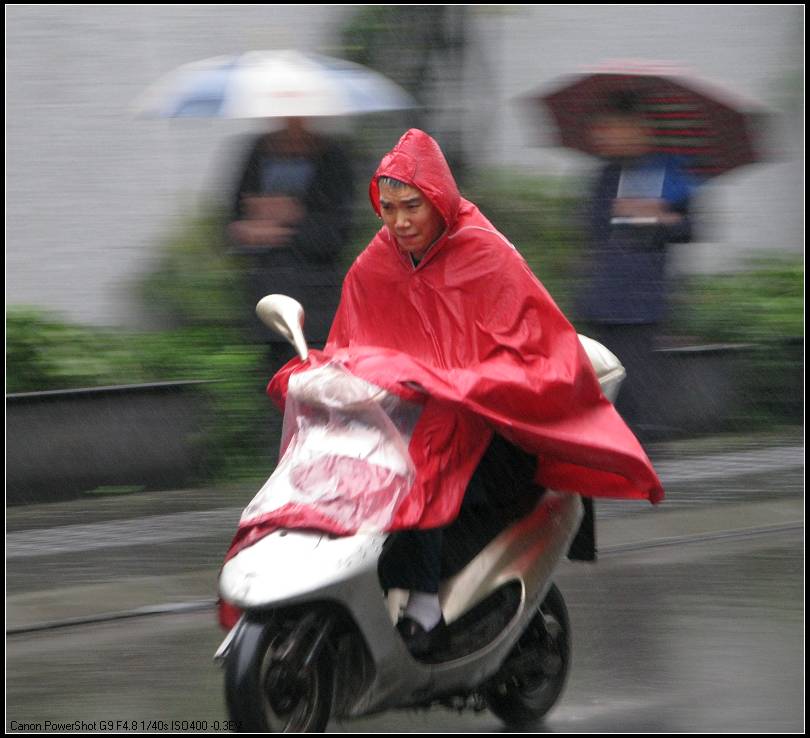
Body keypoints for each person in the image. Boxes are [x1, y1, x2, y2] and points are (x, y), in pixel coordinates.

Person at [299, 128, 664, 656]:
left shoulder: (486, 255)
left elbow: (536, 349)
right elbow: (347, 348)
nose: (399, 221)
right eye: (388, 207)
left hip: (486, 426)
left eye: (412, 206)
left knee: (419, 466)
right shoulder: (372, 266)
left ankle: (424, 605)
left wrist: (464, 384)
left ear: (439, 201)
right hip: (402, 418)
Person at [576, 90, 698, 436]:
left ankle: (643, 456)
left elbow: (690, 228)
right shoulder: (605, 176)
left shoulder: (670, 173)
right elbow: (591, 227)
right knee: (603, 384)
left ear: (640, 128)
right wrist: (618, 214)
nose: (607, 136)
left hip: (643, 301)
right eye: (604, 129)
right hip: (604, 297)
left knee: (638, 388)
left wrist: (659, 217)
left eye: (615, 128)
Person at [228, 117, 354, 375]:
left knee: (315, 386)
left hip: (317, 306)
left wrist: (290, 220)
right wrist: (252, 233)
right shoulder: (257, 152)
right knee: (276, 387)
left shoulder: (332, 156)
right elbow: (234, 225)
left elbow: (337, 234)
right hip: (268, 303)